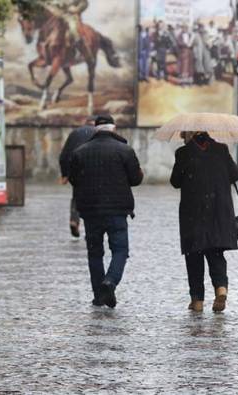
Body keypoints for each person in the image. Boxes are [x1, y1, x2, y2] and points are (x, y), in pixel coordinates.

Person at [69, 114, 143, 308]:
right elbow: (135, 179)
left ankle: (98, 295)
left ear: (95, 129)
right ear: (114, 128)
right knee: (120, 250)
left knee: (94, 253)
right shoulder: (125, 150)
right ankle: (110, 281)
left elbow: (74, 179)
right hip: (118, 211)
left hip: (91, 211)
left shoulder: (80, 152)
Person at [170, 131, 238, 312]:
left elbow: (175, 181)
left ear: (189, 134)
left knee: (194, 256)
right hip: (218, 211)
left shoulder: (183, 153)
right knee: (216, 253)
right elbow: (235, 175)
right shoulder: (221, 150)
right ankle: (221, 288)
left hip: (193, 212)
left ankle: (197, 300)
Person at [59, 116, 96, 237]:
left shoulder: (75, 133)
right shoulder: (99, 133)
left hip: (76, 170)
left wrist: (64, 174)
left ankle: (74, 220)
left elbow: (64, 155)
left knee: (76, 196)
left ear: (85, 123)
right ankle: (91, 227)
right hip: (94, 170)